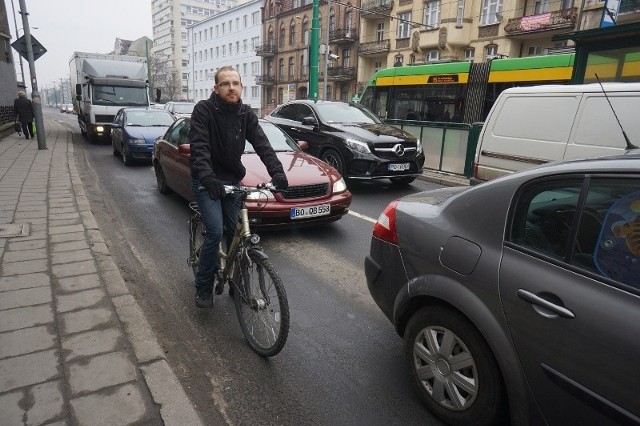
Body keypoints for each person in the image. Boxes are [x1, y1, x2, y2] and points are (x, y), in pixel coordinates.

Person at [189, 66, 289, 308]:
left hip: (232, 181)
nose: (231, 87)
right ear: (216, 88)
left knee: (239, 234)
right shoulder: (203, 110)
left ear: (241, 87)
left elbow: (263, 145)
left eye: (235, 83)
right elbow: (199, 148)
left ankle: (237, 283)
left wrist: (278, 172)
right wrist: (208, 179)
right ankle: (203, 287)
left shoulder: (245, 114)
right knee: (215, 230)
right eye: (225, 83)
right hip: (207, 180)